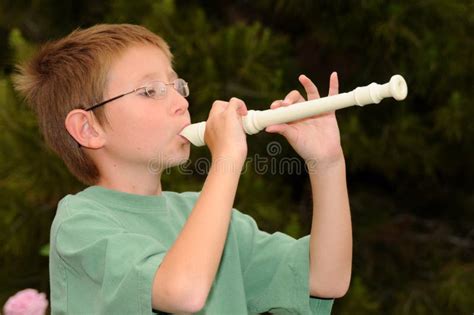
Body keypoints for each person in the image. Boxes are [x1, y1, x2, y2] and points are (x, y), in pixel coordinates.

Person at [13, 23, 352, 314]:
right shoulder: (81, 224)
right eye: (150, 91)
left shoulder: (208, 217)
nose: (181, 102)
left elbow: (326, 280)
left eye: (177, 86)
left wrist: (327, 162)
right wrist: (227, 159)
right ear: (88, 129)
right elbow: (183, 291)